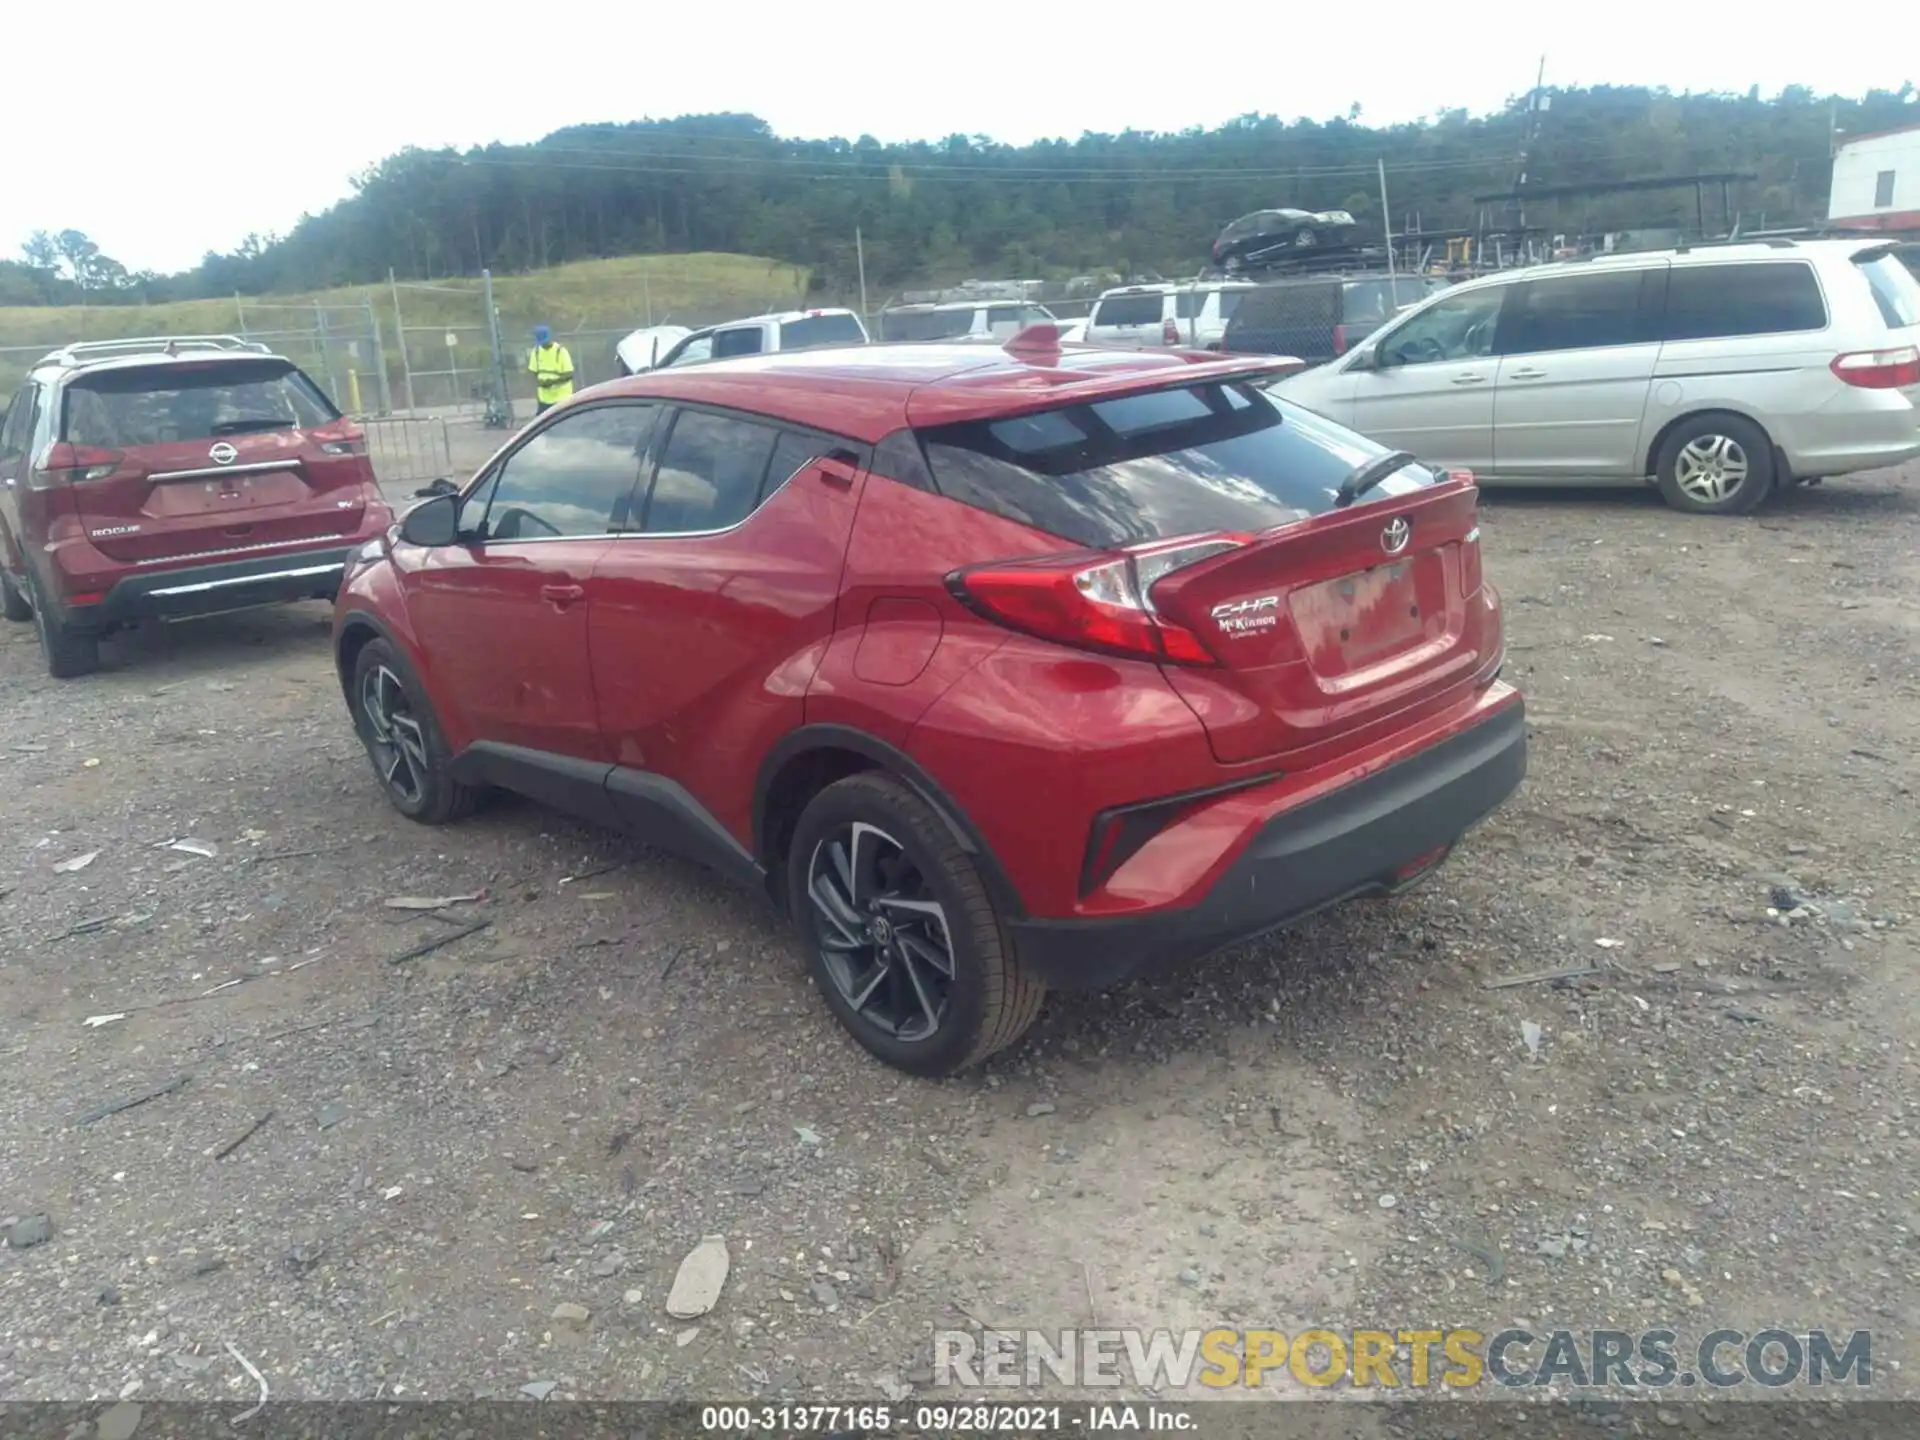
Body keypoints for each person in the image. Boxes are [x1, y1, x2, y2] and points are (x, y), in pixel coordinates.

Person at [528, 325, 575, 414]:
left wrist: (552, 382)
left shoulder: (560, 351)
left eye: (545, 342)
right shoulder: (536, 351)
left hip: (561, 397)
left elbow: (569, 374)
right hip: (544, 398)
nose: (543, 344)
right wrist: (539, 383)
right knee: (542, 424)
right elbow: (533, 372)